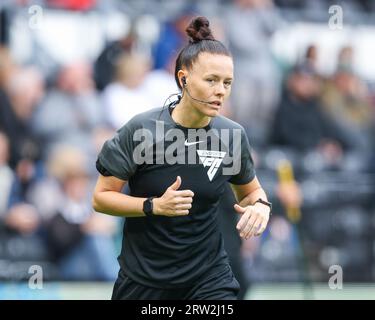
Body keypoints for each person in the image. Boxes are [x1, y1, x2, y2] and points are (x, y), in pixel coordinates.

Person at [92, 16, 272, 300]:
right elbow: (101, 198)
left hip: (209, 278)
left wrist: (261, 205)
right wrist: (154, 205)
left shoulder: (232, 135)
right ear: (183, 79)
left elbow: (251, 192)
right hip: (144, 280)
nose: (220, 91)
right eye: (211, 80)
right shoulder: (141, 130)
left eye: (227, 82)